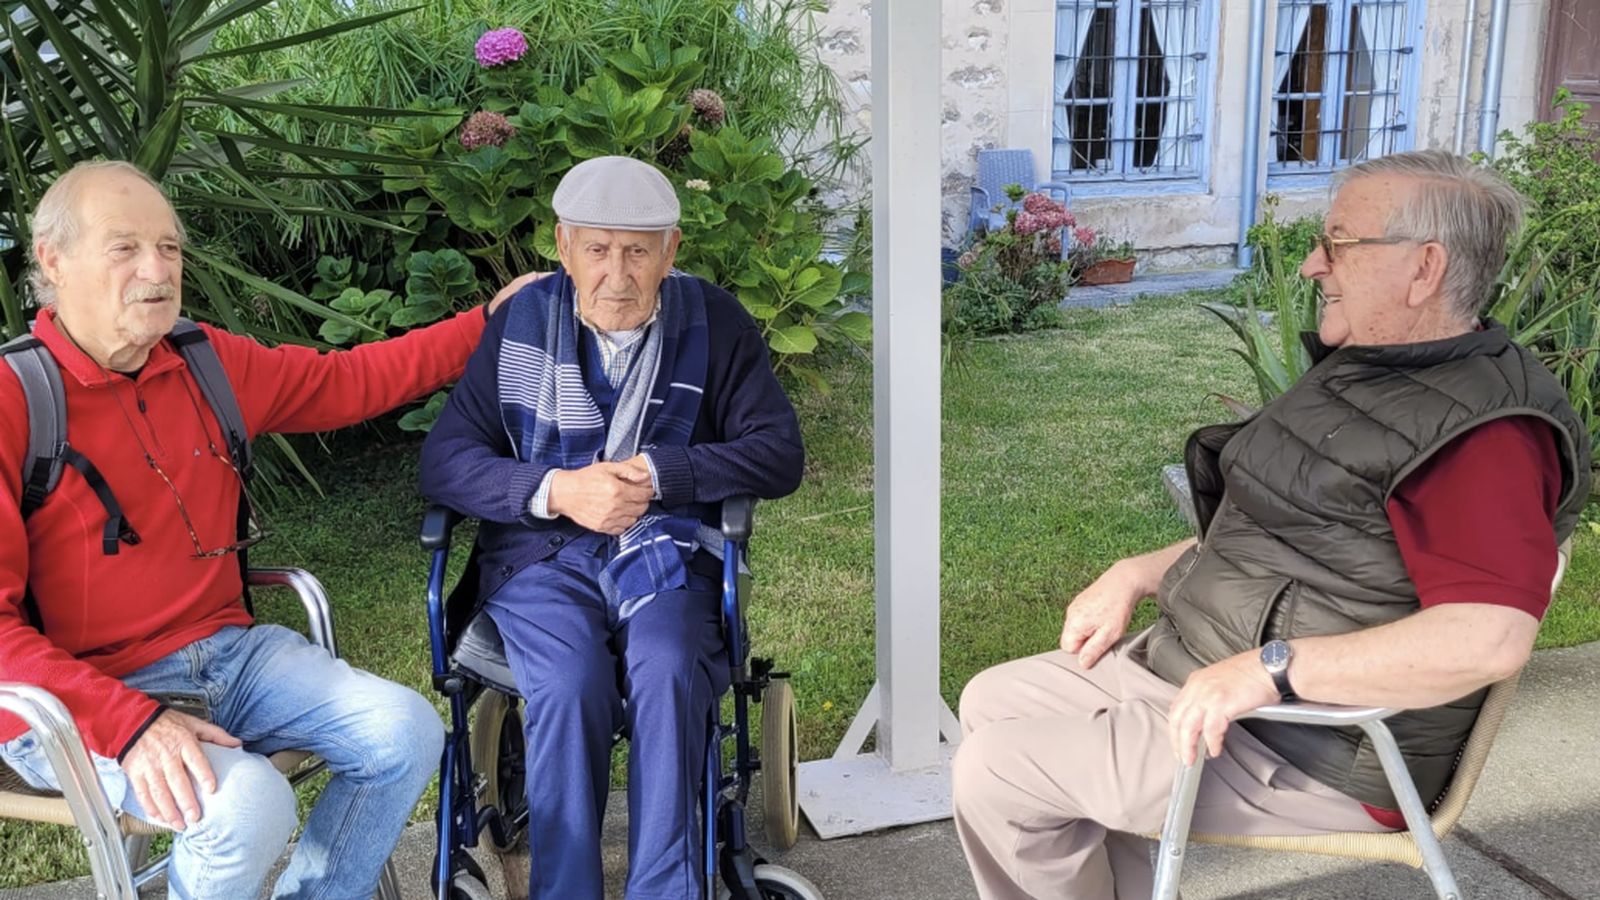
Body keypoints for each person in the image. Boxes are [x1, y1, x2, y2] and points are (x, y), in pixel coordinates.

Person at [952, 149, 1592, 900]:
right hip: (1209, 677)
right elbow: (1284, 530)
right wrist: (1135, 573)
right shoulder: (1381, 370)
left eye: (1339, 244)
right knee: (990, 701)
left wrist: (1269, 670)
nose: (1312, 266)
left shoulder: (1483, 438)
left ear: (1424, 269)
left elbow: (1489, 637)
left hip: (1310, 742)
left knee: (997, 771)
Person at [0, 159, 537, 899]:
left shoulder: (203, 361)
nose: (157, 269)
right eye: (124, 247)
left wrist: (483, 324)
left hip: (226, 654)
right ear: (53, 260)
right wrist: (130, 723)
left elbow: (349, 381)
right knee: (249, 804)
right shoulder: (14, 401)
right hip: (72, 701)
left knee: (404, 732)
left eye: (170, 248)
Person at [419, 155, 805, 900]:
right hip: (540, 555)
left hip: (665, 550)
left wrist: (664, 474)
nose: (616, 274)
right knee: (569, 681)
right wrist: (557, 488)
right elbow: (445, 463)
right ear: (564, 250)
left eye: (637, 250)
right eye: (596, 249)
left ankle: (668, 889)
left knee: (666, 667)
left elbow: (778, 453)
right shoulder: (521, 326)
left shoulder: (714, 322)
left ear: (671, 252)